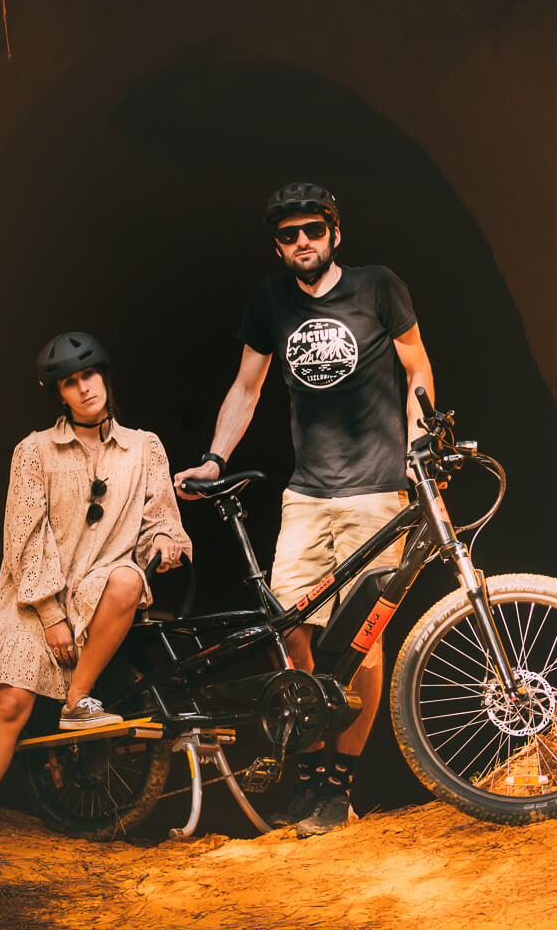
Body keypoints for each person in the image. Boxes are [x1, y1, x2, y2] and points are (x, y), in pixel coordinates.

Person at [174, 181, 434, 836]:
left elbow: (417, 370)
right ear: (278, 247)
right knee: (290, 632)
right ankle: (311, 774)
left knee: (363, 641)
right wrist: (214, 459)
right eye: (289, 236)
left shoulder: (378, 286)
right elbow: (247, 387)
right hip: (307, 496)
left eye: (313, 230)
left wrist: (419, 444)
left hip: (376, 492)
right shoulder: (271, 301)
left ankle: (339, 787)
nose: (302, 243)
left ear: (334, 233)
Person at [0, 331, 191, 859]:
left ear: (105, 376)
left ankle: (78, 701)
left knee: (128, 579)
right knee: (11, 702)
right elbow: (24, 537)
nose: (83, 388)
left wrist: (166, 541)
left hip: (100, 587)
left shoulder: (145, 447)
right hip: (31, 597)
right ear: (59, 394)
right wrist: (51, 615)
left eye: (89, 375)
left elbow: (161, 518)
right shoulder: (33, 450)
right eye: (70, 382)